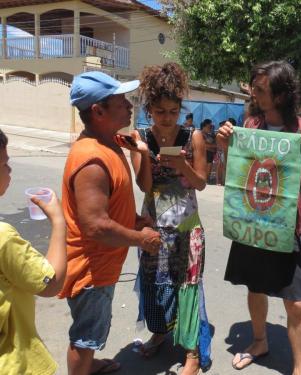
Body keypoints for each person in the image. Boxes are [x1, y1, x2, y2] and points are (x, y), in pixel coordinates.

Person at [217, 60, 301, 375]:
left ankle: (299, 369)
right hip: (251, 225)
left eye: (260, 89)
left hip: (285, 230)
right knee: (254, 289)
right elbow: (233, 176)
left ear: (281, 96)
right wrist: (225, 146)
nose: (253, 94)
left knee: (295, 303)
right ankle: (260, 341)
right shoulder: (251, 127)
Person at [60, 71, 161, 375]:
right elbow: (96, 226)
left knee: (90, 332)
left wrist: (133, 219)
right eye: (121, 101)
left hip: (104, 264)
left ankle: (89, 366)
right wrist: (141, 238)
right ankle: (82, 368)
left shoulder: (109, 143)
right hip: (92, 269)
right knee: (84, 336)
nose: (130, 106)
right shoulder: (92, 159)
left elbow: (108, 206)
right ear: (98, 110)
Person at [121, 62, 211, 375]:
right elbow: (144, 185)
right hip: (153, 229)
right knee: (154, 285)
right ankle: (160, 332)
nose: (168, 118)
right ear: (149, 110)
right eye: (160, 111)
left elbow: (200, 182)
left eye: (173, 111)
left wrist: (181, 166)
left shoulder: (194, 136)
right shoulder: (139, 136)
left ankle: (191, 354)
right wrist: (145, 154)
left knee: (188, 287)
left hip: (188, 229)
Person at [0, 129, 67, 375]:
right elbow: (51, 283)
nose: (10, 170)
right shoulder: (3, 238)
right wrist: (59, 223)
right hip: (13, 362)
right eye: (5, 164)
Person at [201, 119, 216, 183]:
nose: (210, 128)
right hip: (204, 155)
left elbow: (213, 145)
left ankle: (206, 181)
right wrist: (213, 146)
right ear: (204, 126)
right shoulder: (200, 134)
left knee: (208, 170)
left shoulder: (210, 135)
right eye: (209, 127)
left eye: (211, 127)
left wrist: (211, 146)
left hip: (209, 155)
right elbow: (204, 144)